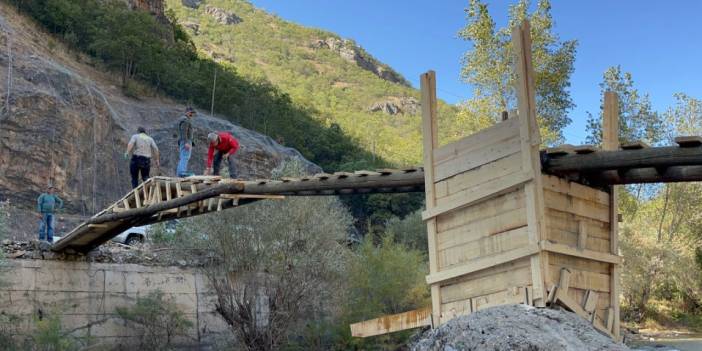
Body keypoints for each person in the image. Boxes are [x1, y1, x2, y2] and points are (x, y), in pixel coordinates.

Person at [176, 106, 196, 177]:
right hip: (186, 141)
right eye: (191, 113)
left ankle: (179, 173)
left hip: (185, 140)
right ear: (187, 112)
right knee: (185, 156)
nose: (192, 114)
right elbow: (184, 132)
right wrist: (186, 142)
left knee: (183, 156)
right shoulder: (185, 120)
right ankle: (182, 173)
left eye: (193, 113)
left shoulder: (185, 119)